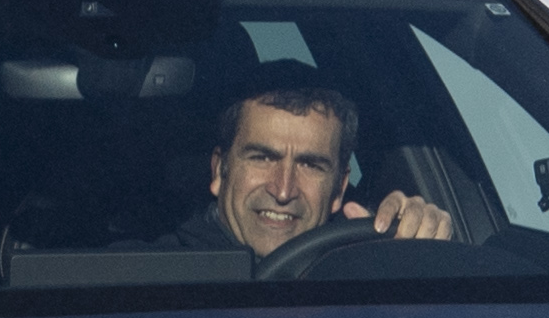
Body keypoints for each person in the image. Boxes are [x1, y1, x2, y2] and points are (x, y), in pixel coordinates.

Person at [169, 76, 460, 260]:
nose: (283, 190)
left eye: (310, 165)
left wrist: (416, 248)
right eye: (263, 158)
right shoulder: (151, 277)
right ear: (220, 170)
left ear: (340, 189)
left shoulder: (362, 277)